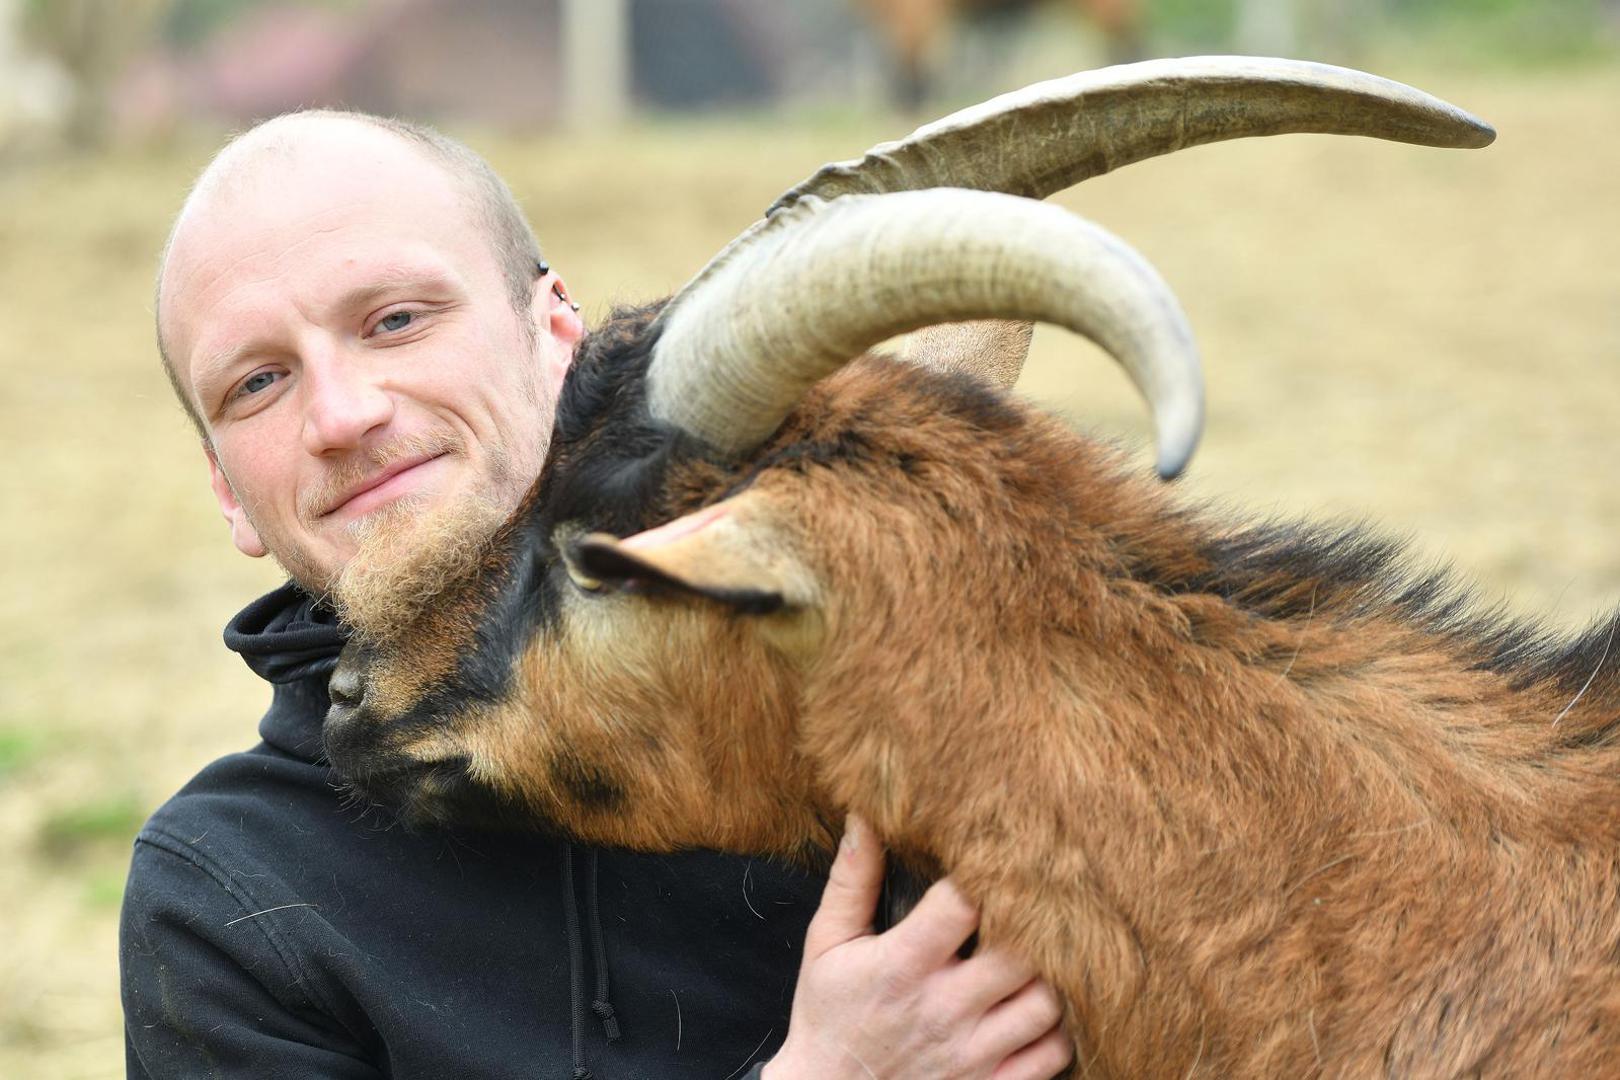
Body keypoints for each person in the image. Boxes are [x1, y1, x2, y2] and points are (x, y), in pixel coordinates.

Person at [120, 109, 1074, 1079]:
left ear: (553, 332)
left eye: (396, 320)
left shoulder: (837, 688)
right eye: (258, 382)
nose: (340, 414)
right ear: (227, 490)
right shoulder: (223, 897)